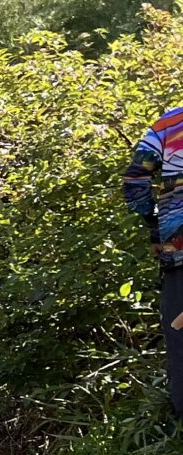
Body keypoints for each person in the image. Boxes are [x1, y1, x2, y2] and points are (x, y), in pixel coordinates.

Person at [124, 104, 183, 415]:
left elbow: (135, 179)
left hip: (179, 244)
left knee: (180, 336)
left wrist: (153, 225)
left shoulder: (170, 122)